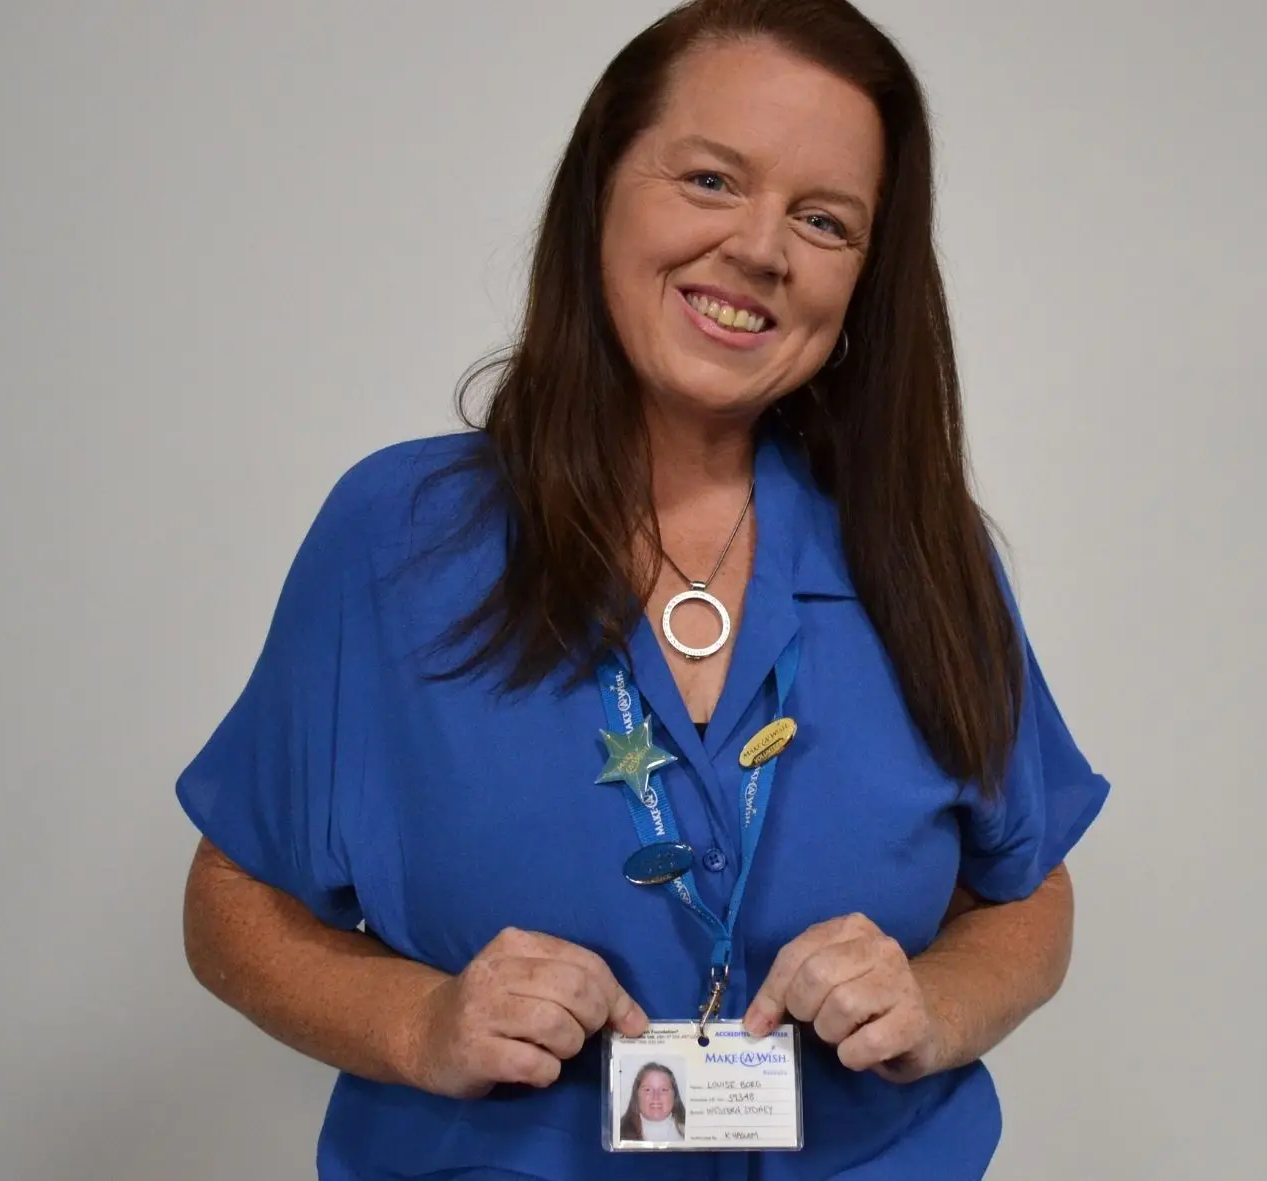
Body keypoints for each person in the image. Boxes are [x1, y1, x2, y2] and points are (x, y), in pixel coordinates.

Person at [176, 0, 1111, 1176]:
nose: (762, 248)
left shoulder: (925, 551)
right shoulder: (398, 538)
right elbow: (232, 904)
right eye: (713, 179)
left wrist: (940, 1002)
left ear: (866, 277)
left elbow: (1028, 892)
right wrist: (419, 1024)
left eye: (824, 219)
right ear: (599, 191)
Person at [617, 1062, 688, 1144]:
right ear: (636, 1095)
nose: (656, 1097)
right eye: (648, 1090)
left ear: (674, 1095)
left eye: (663, 1090)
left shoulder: (692, 1130)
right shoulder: (617, 1133)